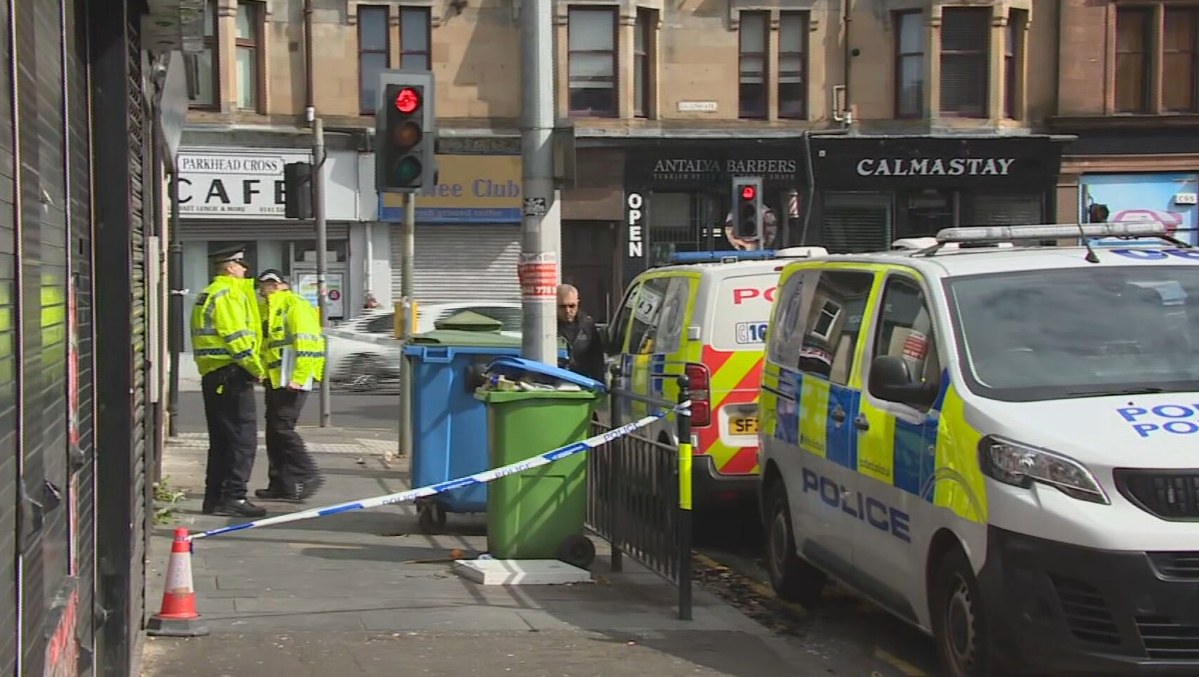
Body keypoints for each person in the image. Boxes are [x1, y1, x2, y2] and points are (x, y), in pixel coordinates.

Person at [190, 245, 267, 518]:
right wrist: (256, 368)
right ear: (230, 267)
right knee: (241, 439)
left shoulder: (209, 293)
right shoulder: (228, 294)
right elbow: (236, 337)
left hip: (215, 374)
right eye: (241, 264)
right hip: (231, 373)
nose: (246, 269)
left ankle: (215, 498)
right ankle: (233, 496)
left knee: (222, 441)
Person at [254, 269, 326, 502]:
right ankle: (281, 485)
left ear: (280, 285)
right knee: (274, 432)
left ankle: (308, 473)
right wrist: (263, 373)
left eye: (267, 284)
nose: (263, 288)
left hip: (291, 379)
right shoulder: (269, 309)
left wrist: (300, 375)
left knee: (283, 429)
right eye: (263, 284)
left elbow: (307, 342)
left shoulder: (295, 305)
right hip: (275, 379)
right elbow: (268, 346)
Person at [556, 284, 606, 381]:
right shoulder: (547, 327)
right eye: (562, 306)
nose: (567, 311)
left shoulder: (587, 325)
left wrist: (599, 383)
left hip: (582, 381)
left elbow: (597, 358)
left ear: (578, 303)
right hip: (556, 380)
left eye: (572, 306)